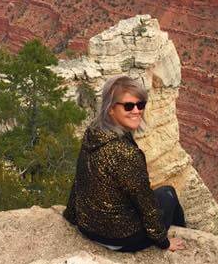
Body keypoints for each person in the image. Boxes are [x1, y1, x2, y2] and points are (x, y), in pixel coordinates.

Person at [64, 75, 187, 252]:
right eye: (128, 106)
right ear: (110, 109)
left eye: (141, 104)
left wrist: (71, 215)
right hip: (121, 238)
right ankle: (182, 235)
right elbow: (145, 202)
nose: (136, 110)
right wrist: (164, 243)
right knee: (168, 193)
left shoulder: (93, 133)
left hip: (88, 228)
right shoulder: (126, 154)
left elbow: (80, 178)